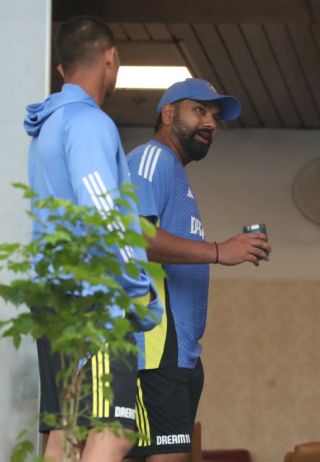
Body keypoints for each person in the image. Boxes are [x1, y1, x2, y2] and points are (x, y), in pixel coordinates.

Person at [24, 15, 162, 462]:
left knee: (67, 435)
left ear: (62, 68)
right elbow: (103, 212)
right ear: (111, 58)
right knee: (112, 431)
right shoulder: (89, 123)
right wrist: (139, 291)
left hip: (54, 294)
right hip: (93, 296)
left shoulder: (49, 125)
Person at [125, 78, 271, 461]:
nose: (211, 123)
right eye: (200, 110)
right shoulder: (152, 158)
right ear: (168, 114)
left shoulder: (175, 173)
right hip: (154, 350)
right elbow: (136, 233)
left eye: (216, 117)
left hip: (179, 353)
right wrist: (219, 251)